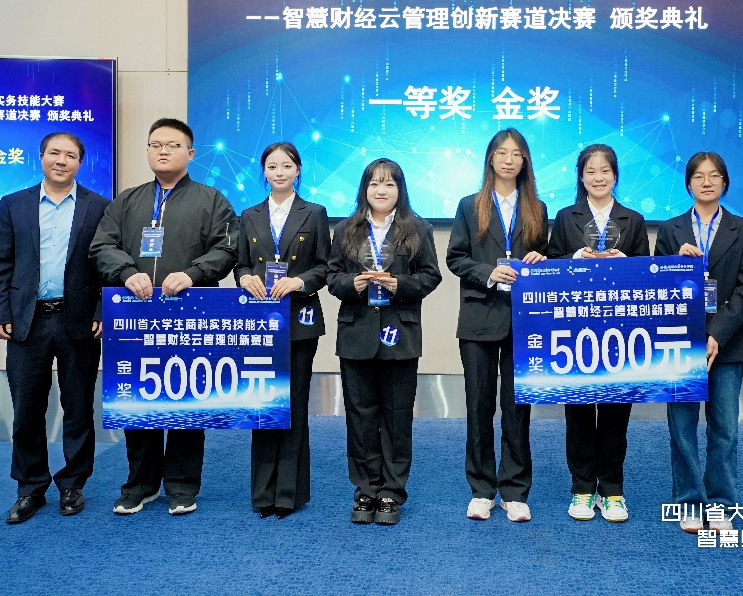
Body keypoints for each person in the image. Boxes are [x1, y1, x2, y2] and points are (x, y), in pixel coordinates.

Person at [90, 117, 238, 516]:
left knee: (187, 397)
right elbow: (102, 245)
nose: (163, 151)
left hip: (190, 313)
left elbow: (227, 250)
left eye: (172, 145)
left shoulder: (212, 200)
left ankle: (182, 485)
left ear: (190, 153)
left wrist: (193, 273)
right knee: (138, 401)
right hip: (136, 315)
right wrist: (126, 272)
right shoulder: (127, 200)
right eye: (156, 144)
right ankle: (140, 484)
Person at [0, 132, 111, 524]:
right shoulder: (14, 204)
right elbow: (0, 264)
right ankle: (30, 488)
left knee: (78, 408)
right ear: (41, 157)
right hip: (28, 320)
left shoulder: (99, 207)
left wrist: (102, 309)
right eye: (54, 153)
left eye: (70, 155)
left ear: (80, 163)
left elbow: (107, 266)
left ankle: (73, 484)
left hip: (79, 321)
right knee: (26, 409)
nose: (61, 160)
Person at [326, 158, 441, 525]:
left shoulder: (417, 228)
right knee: (360, 416)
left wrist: (399, 285)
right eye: (374, 183)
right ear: (364, 189)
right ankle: (365, 489)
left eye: (389, 184)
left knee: (396, 416)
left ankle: (392, 491)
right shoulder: (346, 229)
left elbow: (431, 276)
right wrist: (352, 284)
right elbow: (332, 277)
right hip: (356, 332)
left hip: (399, 334)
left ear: (400, 190)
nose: (381, 190)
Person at [446, 128, 548, 522]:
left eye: (517, 153)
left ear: (525, 161)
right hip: (479, 316)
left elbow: (548, 256)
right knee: (479, 405)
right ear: (491, 158)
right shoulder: (469, 206)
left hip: (525, 319)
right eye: (502, 152)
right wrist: (489, 272)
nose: (509, 159)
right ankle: (482, 489)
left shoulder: (536, 208)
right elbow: (456, 258)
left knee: (518, 406)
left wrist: (541, 259)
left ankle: (515, 490)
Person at [654, 152, 743, 534]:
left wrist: (716, 334)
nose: (707, 182)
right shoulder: (671, 229)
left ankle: (722, 505)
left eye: (714, 175)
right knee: (682, 427)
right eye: (699, 176)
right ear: (688, 184)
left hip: (726, 345)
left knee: (725, 429)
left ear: (725, 183)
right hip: (680, 342)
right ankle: (688, 501)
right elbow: (657, 285)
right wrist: (675, 262)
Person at [546, 144, 649, 523]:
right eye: (591, 171)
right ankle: (582, 488)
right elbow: (551, 265)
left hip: (620, 330)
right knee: (577, 412)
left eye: (605, 170)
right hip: (576, 330)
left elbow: (647, 276)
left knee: (616, 413)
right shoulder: (565, 217)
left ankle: (613, 490)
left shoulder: (633, 220)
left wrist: (627, 263)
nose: (598, 177)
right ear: (581, 177)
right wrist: (574, 258)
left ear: (615, 175)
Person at [235, 142, 331, 519]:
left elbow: (325, 266)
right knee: (262, 404)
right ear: (264, 172)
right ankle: (263, 493)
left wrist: (299, 282)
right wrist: (245, 279)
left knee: (294, 404)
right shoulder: (249, 215)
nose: (279, 172)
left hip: (299, 319)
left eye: (286, 166)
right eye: (272, 166)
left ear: (298, 170)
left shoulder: (314, 213)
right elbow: (241, 264)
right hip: (259, 321)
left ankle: (288, 494)